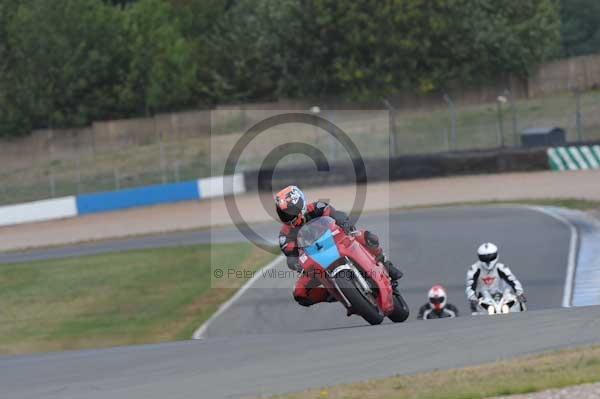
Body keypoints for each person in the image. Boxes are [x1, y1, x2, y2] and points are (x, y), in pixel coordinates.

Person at [275, 185, 403, 307]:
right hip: (316, 262)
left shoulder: (317, 207)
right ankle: (332, 294)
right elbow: (290, 255)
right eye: (282, 213)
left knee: (365, 236)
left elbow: (337, 215)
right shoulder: (284, 235)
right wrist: (296, 263)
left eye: (289, 212)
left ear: (300, 205)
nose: (286, 216)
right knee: (299, 293)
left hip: (337, 242)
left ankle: (386, 264)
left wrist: (344, 223)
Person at [466, 242, 526, 313]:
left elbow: (513, 280)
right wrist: (472, 298)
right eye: (484, 258)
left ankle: (523, 314)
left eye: (490, 257)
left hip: (501, 295)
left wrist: (520, 293)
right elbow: (470, 285)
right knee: (475, 311)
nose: (488, 260)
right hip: (483, 297)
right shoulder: (474, 269)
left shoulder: (501, 267)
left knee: (519, 303)